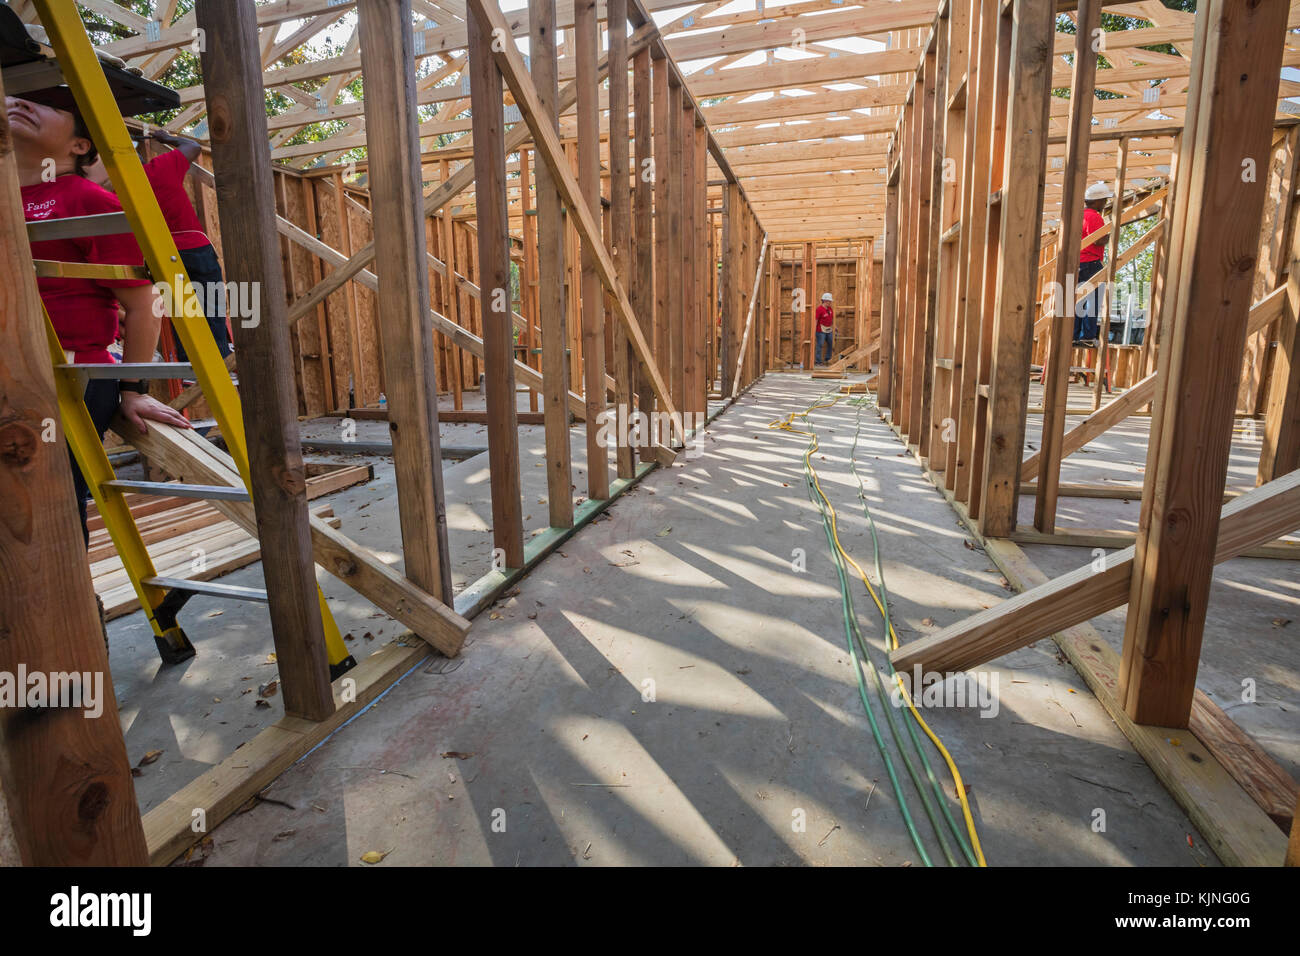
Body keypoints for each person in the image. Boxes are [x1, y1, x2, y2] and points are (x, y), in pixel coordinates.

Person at [9, 95, 192, 544]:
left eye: (43, 103)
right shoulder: (5, 200)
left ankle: (69, 613)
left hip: (69, 375)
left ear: (78, 145)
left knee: (47, 508)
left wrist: (131, 389)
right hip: (11, 370)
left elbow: (144, 301)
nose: (17, 101)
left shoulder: (89, 199)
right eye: (14, 95)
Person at [87, 128, 231, 361]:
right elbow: (192, 148)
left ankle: (190, 364)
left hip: (157, 255)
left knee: (180, 310)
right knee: (210, 303)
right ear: (140, 160)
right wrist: (167, 139)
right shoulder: (160, 168)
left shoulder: (112, 193)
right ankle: (220, 358)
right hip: (193, 248)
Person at [1074, 181, 1111, 346]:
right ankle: (1088, 337)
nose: (1105, 204)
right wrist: (1111, 234)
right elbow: (1099, 240)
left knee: (1078, 300)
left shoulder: (1079, 215)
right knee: (1093, 300)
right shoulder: (1094, 216)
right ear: (1097, 201)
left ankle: (1074, 336)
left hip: (1078, 263)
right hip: (1091, 263)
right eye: (1104, 201)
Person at [814, 292, 834, 366]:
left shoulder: (830, 309)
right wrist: (814, 330)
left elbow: (831, 319)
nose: (830, 302)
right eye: (829, 301)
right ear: (825, 301)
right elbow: (816, 320)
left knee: (831, 343)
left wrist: (835, 327)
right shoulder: (819, 309)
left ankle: (827, 359)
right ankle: (818, 361)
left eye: (830, 301)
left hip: (829, 329)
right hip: (820, 331)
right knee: (820, 345)